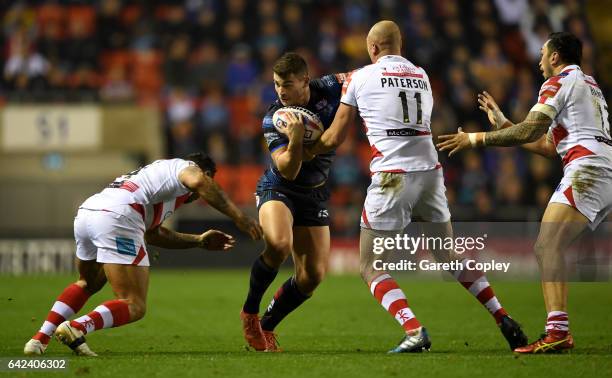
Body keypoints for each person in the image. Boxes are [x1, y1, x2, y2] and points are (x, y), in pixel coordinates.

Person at [308, 20, 527, 353]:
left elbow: (336, 137)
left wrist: (306, 146)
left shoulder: (360, 77)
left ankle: (413, 330)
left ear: (372, 48)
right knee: (448, 254)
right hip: (430, 173)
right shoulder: (422, 75)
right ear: (401, 44)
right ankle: (502, 316)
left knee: (370, 266)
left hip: (393, 176)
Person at [437, 31, 612, 353]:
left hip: (587, 169)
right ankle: (558, 330)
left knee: (547, 245)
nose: (539, 60)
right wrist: (504, 123)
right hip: (600, 169)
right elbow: (547, 146)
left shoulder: (558, 83)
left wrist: (474, 139)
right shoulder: (589, 85)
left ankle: (557, 332)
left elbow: (532, 129)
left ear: (556, 57)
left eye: (544, 53)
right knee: (550, 246)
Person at [24, 153, 263, 356]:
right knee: (134, 304)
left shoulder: (157, 184)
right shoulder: (185, 168)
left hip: (90, 212)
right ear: (207, 174)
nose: (199, 194)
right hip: (118, 217)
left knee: (89, 282)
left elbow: (152, 235)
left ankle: (39, 339)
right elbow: (199, 180)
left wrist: (198, 241)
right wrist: (239, 217)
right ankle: (77, 326)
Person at [239, 52, 346, 352]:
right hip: (279, 187)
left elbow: (355, 78)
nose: (280, 91)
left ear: (304, 81)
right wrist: (297, 138)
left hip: (314, 192)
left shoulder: (329, 88)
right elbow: (289, 168)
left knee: (312, 276)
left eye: (286, 84)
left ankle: (267, 326)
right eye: (276, 84)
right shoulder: (275, 117)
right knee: (279, 244)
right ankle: (250, 312)